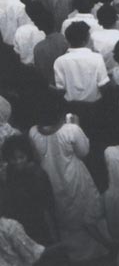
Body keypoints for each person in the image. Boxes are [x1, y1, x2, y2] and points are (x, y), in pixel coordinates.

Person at [29, 89, 107, 263]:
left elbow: (36, 157)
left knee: (62, 215)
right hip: (74, 177)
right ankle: (95, 251)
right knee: (85, 211)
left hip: (51, 179)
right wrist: (77, 125)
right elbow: (84, 151)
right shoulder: (70, 130)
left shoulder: (33, 132)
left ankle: (72, 253)